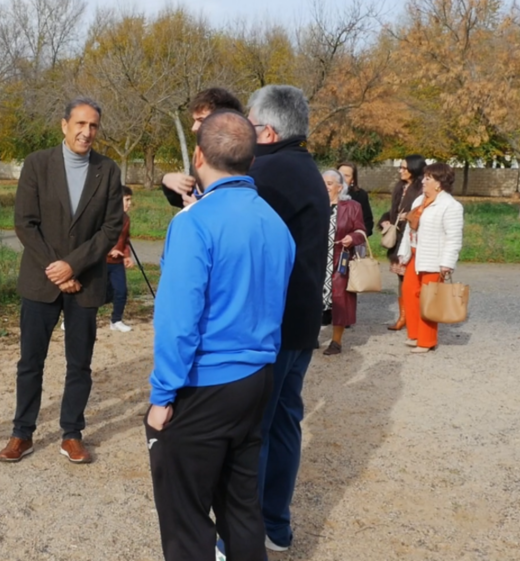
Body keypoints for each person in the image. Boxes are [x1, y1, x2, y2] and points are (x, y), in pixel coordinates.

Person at [147, 109, 295, 561]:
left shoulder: (193, 223)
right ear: (252, 160)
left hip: (204, 383)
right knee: (241, 506)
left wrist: (162, 395)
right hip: (257, 379)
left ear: (198, 157)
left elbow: (178, 320)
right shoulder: (276, 223)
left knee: (186, 515)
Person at [0, 97, 124, 465]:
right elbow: (25, 223)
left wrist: (73, 266)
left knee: (79, 363)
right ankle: (22, 433)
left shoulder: (108, 170)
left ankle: (71, 433)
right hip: (41, 280)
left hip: (85, 281)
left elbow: (111, 227)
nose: (87, 132)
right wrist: (56, 267)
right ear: (64, 125)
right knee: (30, 362)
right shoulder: (38, 164)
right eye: (81, 124)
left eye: (94, 126)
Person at [246, 85, 330, 553]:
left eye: (249, 125)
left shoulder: (271, 171)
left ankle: (242, 532)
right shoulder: (305, 167)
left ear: (269, 130)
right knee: (283, 424)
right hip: (299, 324)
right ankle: (276, 526)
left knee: (255, 428)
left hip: (272, 326)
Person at [396, 162, 464, 354]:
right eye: (424, 177)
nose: (423, 181)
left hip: (434, 259)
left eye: (428, 178)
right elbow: (410, 229)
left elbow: (453, 237)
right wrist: (403, 253)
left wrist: (447, 263)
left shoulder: (451, 206)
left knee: (429, 300)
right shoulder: (419, 201)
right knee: (409, 292)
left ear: (439, 184)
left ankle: (427, 341)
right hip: (415, 256)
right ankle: (415, 334)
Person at [161, 88, 244, 208]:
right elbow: (189, 198)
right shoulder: (201, 154)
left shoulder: (245, 156)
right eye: (195, 120)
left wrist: (203, 208)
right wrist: (167, 181)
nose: (194, 128)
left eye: (201, 120)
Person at [321, 170, 367, 356]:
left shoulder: (352, 206)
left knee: (340, 300)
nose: (325, 186)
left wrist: (351, 237)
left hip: (340, 259)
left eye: (330, 183)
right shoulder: (315, 204)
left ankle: (336, 341)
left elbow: (361, 230)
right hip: (317, 260)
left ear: (340, 188)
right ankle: (310, 337)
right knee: (313, 300)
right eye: (323, 182)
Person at [377, 155, 425, 331]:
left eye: (404, 168)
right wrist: (385, 221)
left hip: (413, 240)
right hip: (398, 239)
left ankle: (417, 317)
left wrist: (409, 217)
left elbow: (423, 213)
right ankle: (403, 316)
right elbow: (393, 212)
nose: (401, 171)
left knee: (414, 280)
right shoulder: (400, 187)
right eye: (400, 167)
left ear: (414, 168)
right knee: (401, 279)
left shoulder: (421, 189)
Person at [105, 186, 135, 333]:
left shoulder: (126, 219)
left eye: (130, 200)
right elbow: (96, 238)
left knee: (121, 291)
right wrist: (110, 250)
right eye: (126, 200)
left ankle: (116, 320)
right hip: (100, 261)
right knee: (94, 292)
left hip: (117, 263)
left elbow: (125, 239)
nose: (129, 203)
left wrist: (126, 255)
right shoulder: (104, 216)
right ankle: (70, 318)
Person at [338, 161, 373, 236]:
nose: (342, 178)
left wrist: (357, 238)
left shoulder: (360, 195)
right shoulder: (325, 193)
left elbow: (367, 221)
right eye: (340, 174)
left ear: (353, 180)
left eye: (346, 176)